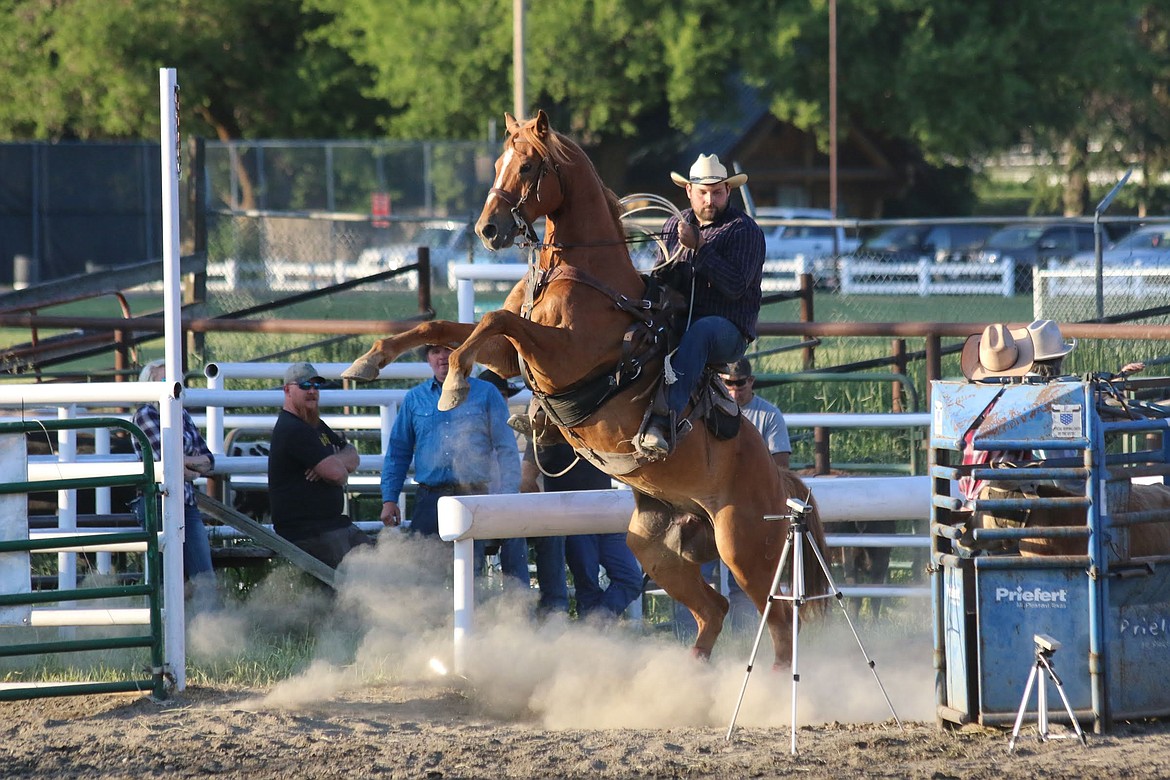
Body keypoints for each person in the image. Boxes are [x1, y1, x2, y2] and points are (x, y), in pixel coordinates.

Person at [640, 154, 766, 456]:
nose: (710, 199)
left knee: (703, 330)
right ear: (689, 192)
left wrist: (700, 248)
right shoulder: (673, 224)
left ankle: (664, 419)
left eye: (717, 192)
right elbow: (661, 275)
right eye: (703, 193)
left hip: (728, 330)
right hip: (678, 322)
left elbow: (736, 287)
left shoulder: (744, 231)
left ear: (728, 191)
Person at [379, 345, 528, 587]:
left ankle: (470, 621)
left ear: (463, 354)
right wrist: (389, 498)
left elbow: (506, 447)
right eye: (435, 351)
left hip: (473, 496)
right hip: (431, 498)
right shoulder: (415, 398)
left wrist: (508, 496)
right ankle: (433, 622)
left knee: (471, 572)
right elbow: (398, 451)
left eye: (449, 349)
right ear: (428, 358)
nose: (442, 357)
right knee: (424, 573)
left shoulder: (486, 393)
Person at [673, 356, 792, 635]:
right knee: (696, 570)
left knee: (746, 578)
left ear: (750, 382)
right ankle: (691, 632)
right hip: (709, 505)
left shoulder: (765, 414)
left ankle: (745, 635)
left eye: (739, 383)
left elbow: (779, 469)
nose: (734, 389)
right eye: (728, 383)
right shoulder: (715, 409)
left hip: (743, 508)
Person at [520, 420, 643, 619]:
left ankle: (592, 627)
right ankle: (594, 630)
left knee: (627, 579)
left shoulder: (593, 422)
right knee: (595, 583)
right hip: (577, 516)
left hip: (600, 513)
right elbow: (526, 478)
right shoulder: (549, 426)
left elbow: (527, 479)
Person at [268, 362, 374, 568]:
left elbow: (353, 455)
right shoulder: (293, 428)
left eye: (316, 386)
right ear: (287, 390)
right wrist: (334, 465)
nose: (312, 391)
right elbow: (339, 476)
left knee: (377, 561)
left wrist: (332, 462)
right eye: (305, 385)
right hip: (307, 532)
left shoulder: (315, 425)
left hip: (332, 526)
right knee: (359, 573)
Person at [130, 359, 217, 601]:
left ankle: (205, 632)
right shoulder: (145, 414)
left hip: (185, 502)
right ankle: (168, 631)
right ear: (149, 386)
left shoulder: (182, 413)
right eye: (164, 380)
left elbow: (209, 460)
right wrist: (191, 466)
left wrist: (187, 466)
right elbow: (169, 461)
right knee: (166, 577)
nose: (173, 385)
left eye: (174, 380)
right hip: (158, 503)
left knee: (202, 576)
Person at [718, 357, 791, 468]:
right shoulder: (710, 411)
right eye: (728, 386)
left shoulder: (770, 415)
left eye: (740, 387)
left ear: (751, 380)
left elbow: (780, 464)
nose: (734, 396)